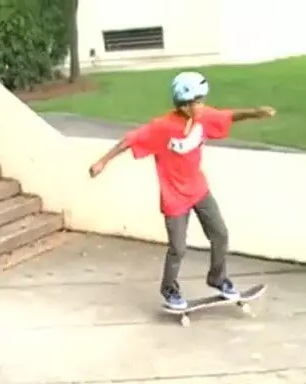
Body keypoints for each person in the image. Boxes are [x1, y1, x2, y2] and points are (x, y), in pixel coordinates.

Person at [88, 71, 276, 310]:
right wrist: (103, 161)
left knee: (220, 234)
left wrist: (255, 113)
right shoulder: (162, 127)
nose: (201, 106)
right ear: (184, 104)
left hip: (199, 189)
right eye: (197, 102)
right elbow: (130, 139)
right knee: (178, 248)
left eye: (202, 101)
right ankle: (169, 289)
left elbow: (227, 115)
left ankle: (218, 278)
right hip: (174, 196)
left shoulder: (203, 116)